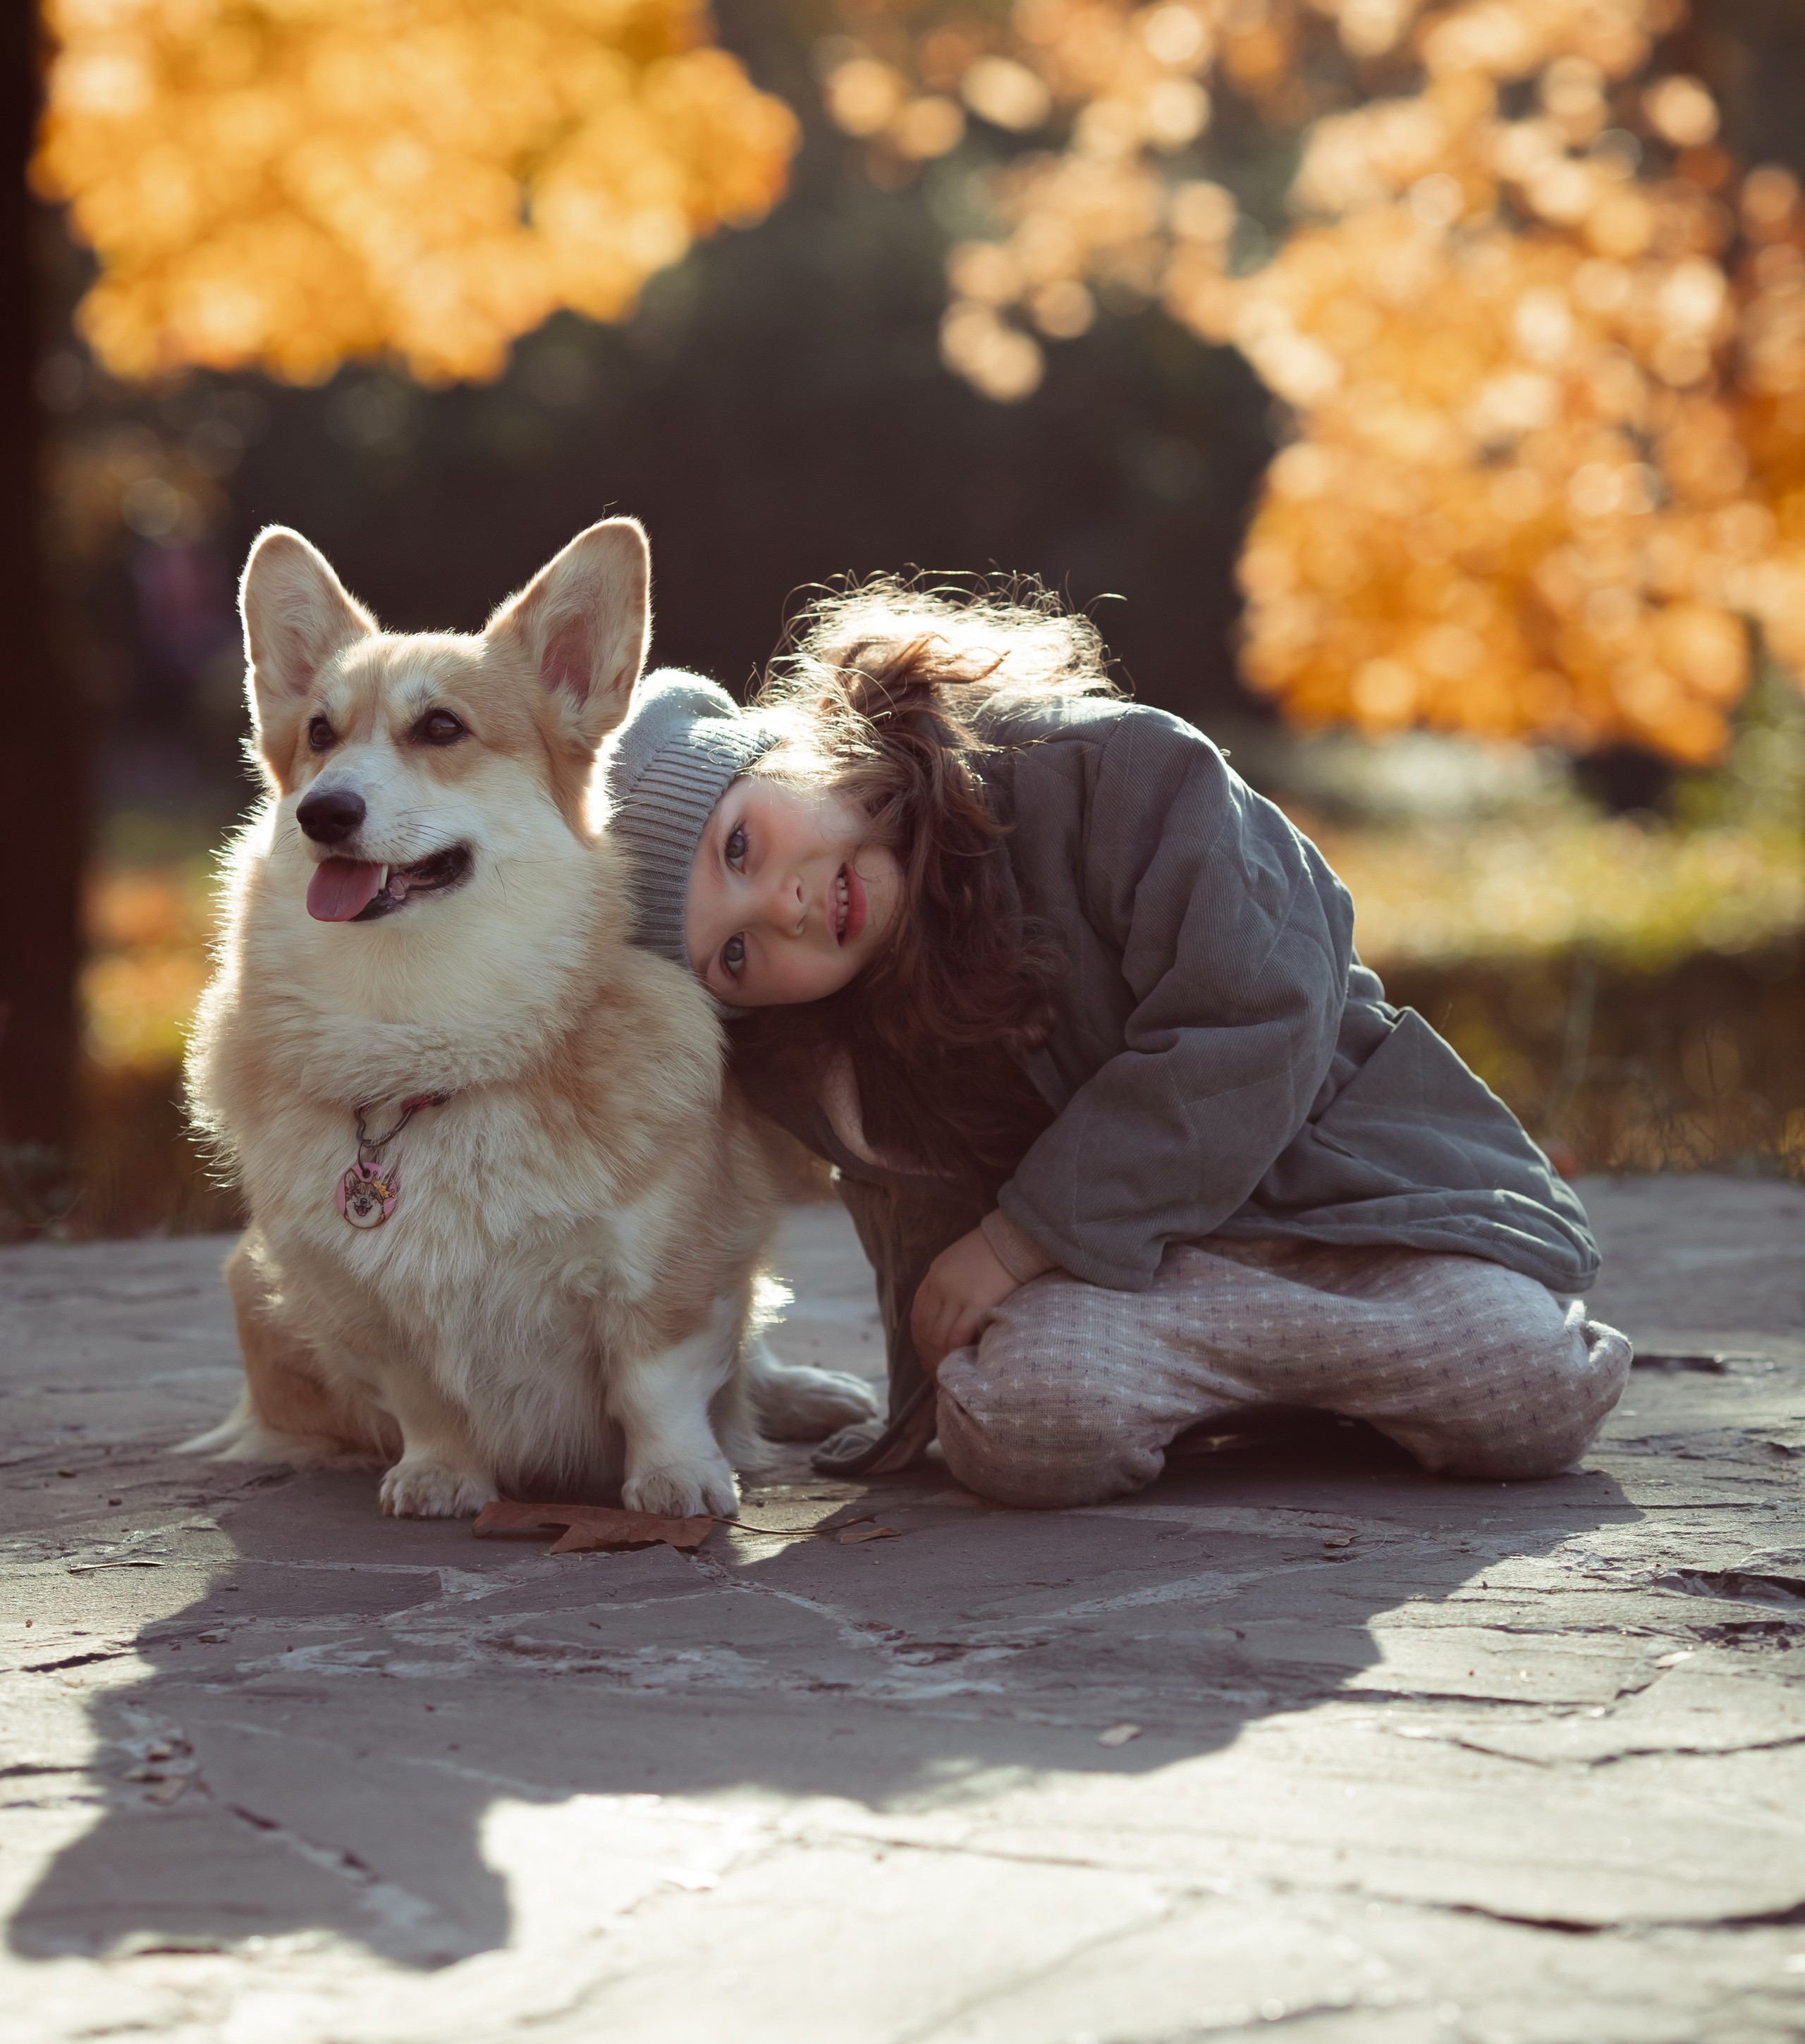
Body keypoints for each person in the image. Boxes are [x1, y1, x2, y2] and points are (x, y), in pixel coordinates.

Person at [604, 581, 1630, 1506]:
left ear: (779, 749)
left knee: (1529, 1389)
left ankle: (1285, 1375)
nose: (779, 909)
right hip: (1130, 1292)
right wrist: (933, 1392)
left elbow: (1260, 1012)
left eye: (740, 844)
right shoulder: (827, 1053)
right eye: (731, 955)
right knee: (1015, 1424)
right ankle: (1289, 1385)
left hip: (1352, 1209)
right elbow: (917, 1222)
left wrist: (1020, 1242)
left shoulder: (1108, 770)